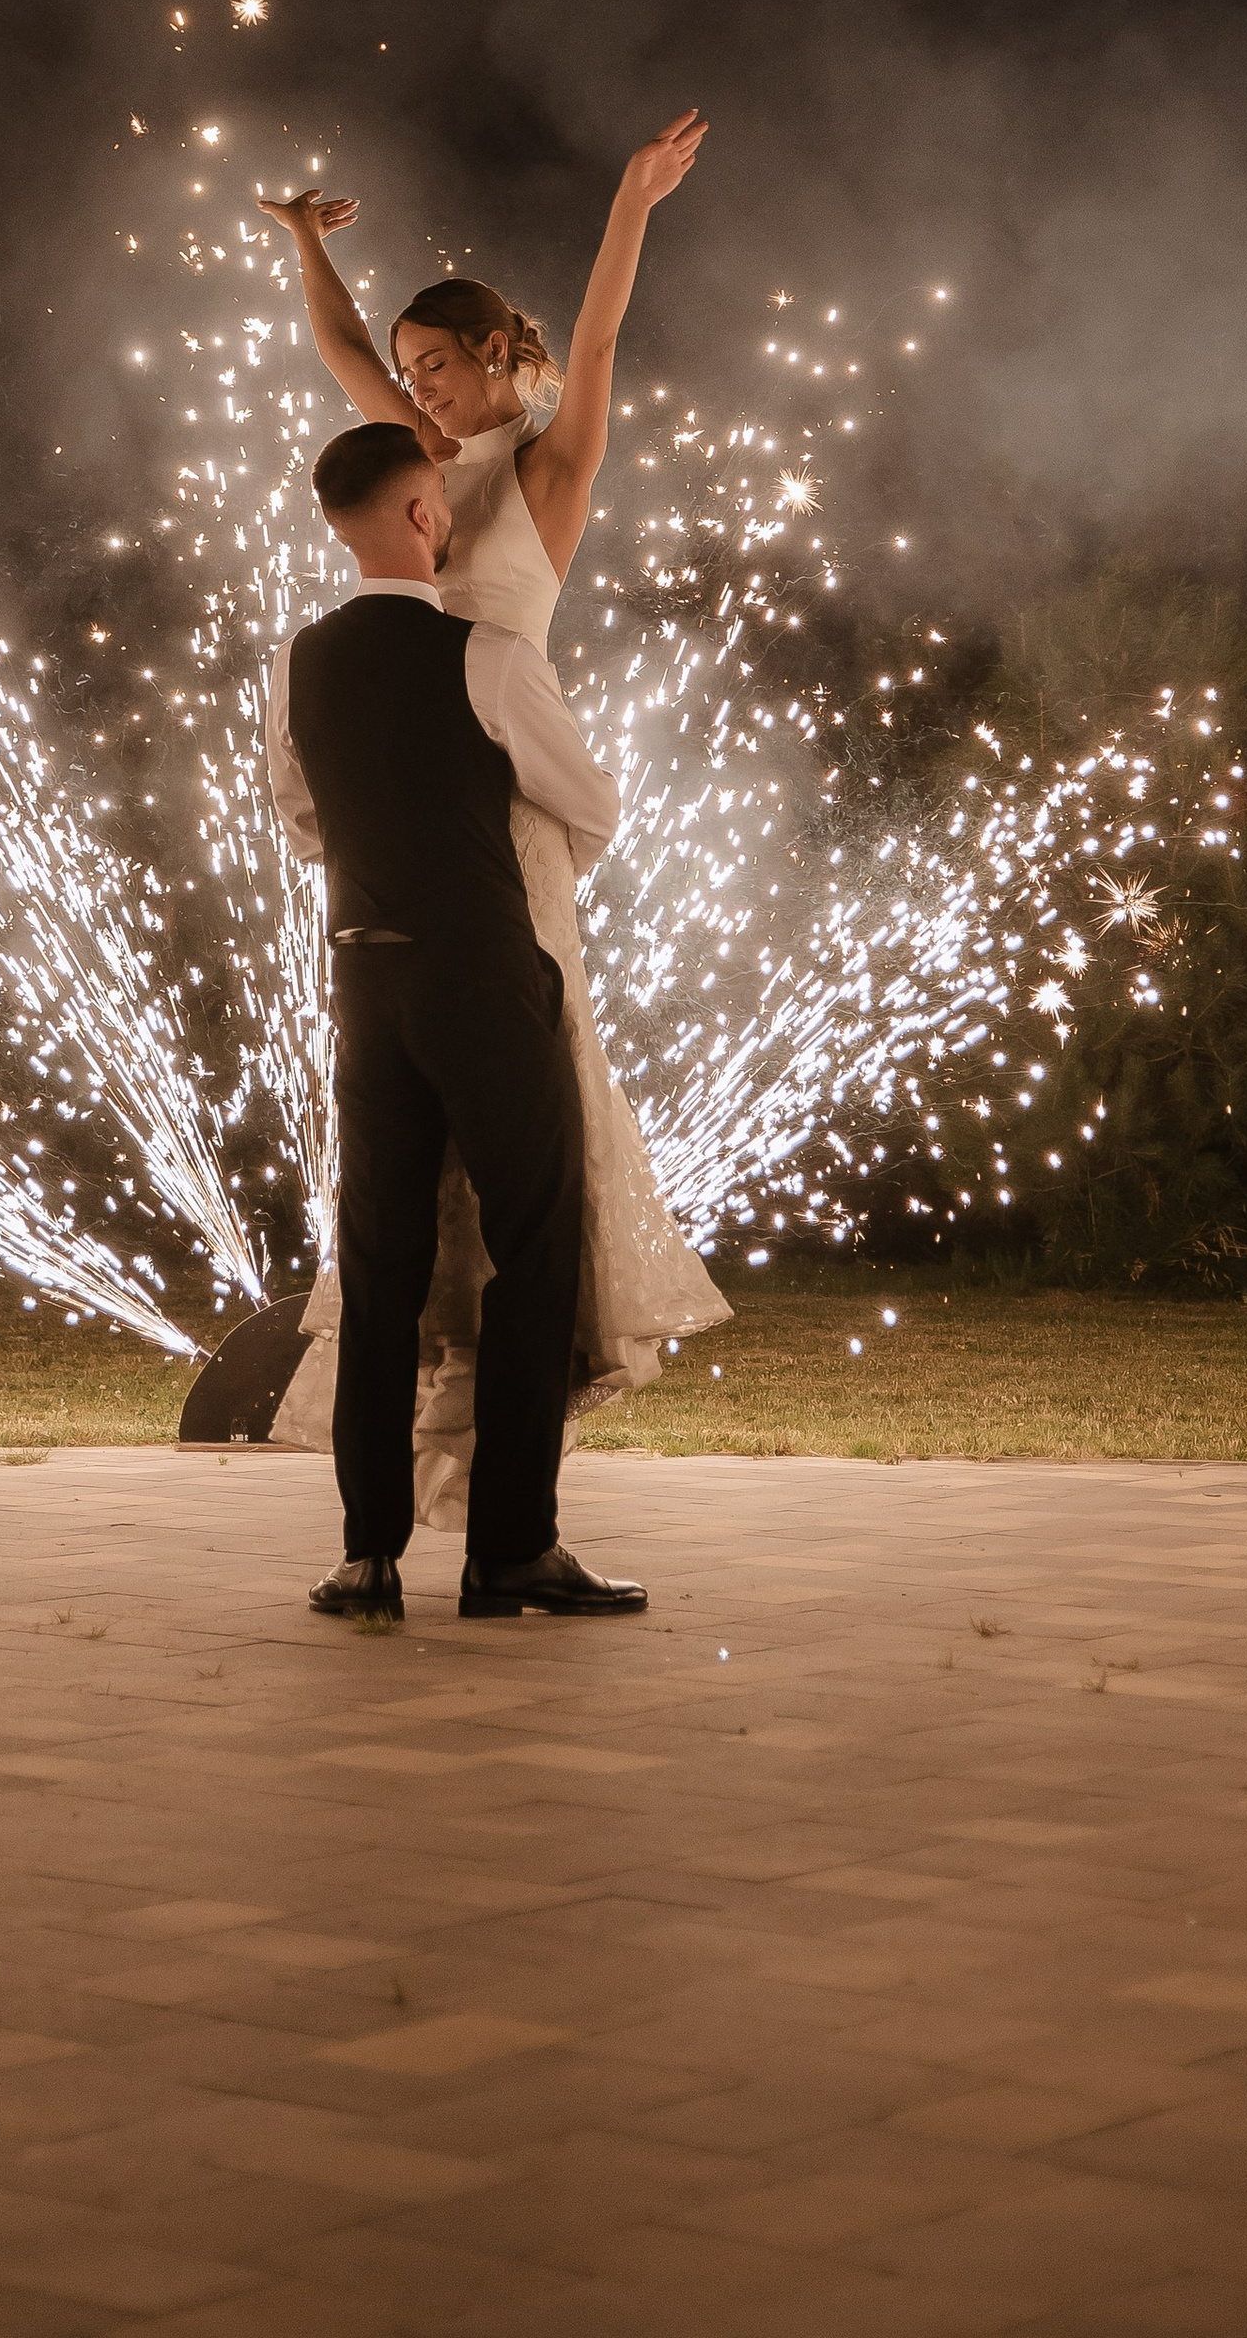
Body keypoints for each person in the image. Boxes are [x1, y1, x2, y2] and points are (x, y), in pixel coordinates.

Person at [258, 119, 726, 1530]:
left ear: (497, 362)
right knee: (420, 1177)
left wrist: (630, 204)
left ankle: (508, 1447)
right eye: (409, 377)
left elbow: (592, 348)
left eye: (441, 366)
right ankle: (440, 1458)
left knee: (531, 1140)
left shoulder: (540, 476)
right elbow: (338, 355)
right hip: (412, 817)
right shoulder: (409, 470)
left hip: (506, 819)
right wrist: (302, 248)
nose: (418, 392)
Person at [268, 421, 646, 1620]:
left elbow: (300, 818)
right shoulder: (489, 653)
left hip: (365, 987)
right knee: (532, 1245)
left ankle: (365, 1556)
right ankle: (509, 1548)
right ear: (428, 516)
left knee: (378, 1263)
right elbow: (591, 803)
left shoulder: (302, 660)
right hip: (484, 979)